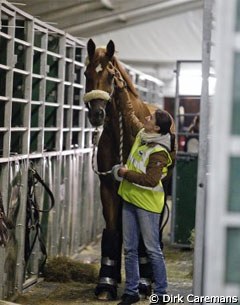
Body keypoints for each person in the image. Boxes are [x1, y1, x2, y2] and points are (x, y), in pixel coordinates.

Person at [113, 76, 175, 305]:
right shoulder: (143, 134)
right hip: (129, 198)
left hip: (147, 204)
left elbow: (150, 180)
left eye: (150, 118)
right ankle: (131, 291)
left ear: (156, 127)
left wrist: (124, 173)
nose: (146, 117)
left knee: (152, 249)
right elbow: (130, 118)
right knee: (129, 248)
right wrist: (122, 92)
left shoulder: (159, 151)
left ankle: (161, 293)